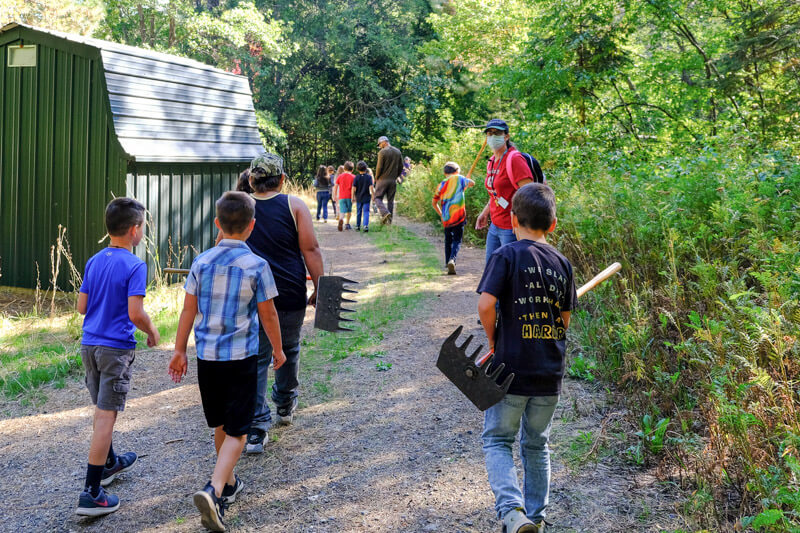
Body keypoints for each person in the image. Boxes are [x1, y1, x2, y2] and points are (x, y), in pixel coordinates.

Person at [168, 191, 285, 532]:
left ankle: (229, 483)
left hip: (208, 359)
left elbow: (188, 310)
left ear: (217, 224)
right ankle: (213, 489)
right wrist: (278, 351)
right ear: (252, 226)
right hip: (241, 359)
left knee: (221, 423)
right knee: (239, 430)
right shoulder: (257, 266)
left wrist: (179, 351)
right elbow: (269, 315)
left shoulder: (201, 262)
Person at [476, 183, 577, 533]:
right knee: (537, 444)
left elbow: (486, 304)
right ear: (553, 224)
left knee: (497, 439)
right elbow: (563, 322)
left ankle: (512, 512)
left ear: (514, 219)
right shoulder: (562, 264)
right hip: (548, 373)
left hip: (509, 369)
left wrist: (492, 340)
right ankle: (537, 518)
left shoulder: (505, 256)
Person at [75, 197, 160, 517]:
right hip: (114, 350)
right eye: (143, 229)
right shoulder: (135, 264)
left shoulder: (94, 260)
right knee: (106, 418)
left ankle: (109, 463)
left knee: (101, 410)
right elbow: (135, 312)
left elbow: (82, 307)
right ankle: (92, 492)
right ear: (135, 230)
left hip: (89, 347)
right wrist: (151, 331)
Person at [245, 153, 324, 453]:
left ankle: (255, 428)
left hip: (249, 296)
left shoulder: (240, 206)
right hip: (288, 293)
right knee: (288, 348)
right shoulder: (295, 206)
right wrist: (320, 286)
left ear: (252, 179)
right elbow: (311, 249)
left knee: (255, 358)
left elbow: (221, 248)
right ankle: (285, 403)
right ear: (281, 179)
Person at [475, 119, 534, 263]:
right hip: (494, 225)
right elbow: (496, 193)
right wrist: (485, 212)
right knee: (492, 270)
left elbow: (530, 194)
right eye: (489, 133)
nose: (492, 136)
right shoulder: (491, 161)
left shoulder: (514, 159)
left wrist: (520, 223)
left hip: (511, 228)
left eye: (497, 133)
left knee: (508, 274)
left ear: (506, 136)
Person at [432, 161, 474, 275]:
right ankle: (452, 259)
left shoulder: (441, 184)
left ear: (445, 173)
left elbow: (434, 203)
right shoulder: (459, 178)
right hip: (459, 216)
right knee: (457, 240)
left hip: (446, 217)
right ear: (457, 171)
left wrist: (441, 214)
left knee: (448, 240)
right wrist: (466, 180)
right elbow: (472, 183)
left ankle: (447, 262)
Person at [373, 135, 404, 224]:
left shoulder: (382, 152)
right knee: (390, 201)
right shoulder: (398, 151)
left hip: (382, 180)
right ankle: (389, 222)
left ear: (384, 142)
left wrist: (376, 177)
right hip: (392, 180)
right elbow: (401, 167)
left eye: (379, 144)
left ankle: (385, 213)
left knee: (377, 198)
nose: (379, 146)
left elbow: (379, 167)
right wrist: (395, 176)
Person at [351, 160, 375, 232]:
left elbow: (353, 188)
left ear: (357, 169)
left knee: (358, 212)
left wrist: (352, 197)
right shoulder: (369, 177)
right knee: (366, 211)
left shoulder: (356, 177)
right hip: (367, 197)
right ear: (366, 168)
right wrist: (373, 195)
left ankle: (358, 226)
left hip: (359, 197)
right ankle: (365, 226)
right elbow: (371, 187)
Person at [333, 161, 356, 231]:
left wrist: (335, 195)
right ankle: (347, 224)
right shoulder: (353, 177)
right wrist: (354, 197)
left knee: (342, 211)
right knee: (349, 211)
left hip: (341, 197)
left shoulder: (340, 176)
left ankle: (341, 219)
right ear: (352, 169)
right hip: (350, 197)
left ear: (344, 168)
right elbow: (354, 188)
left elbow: (336, 186)